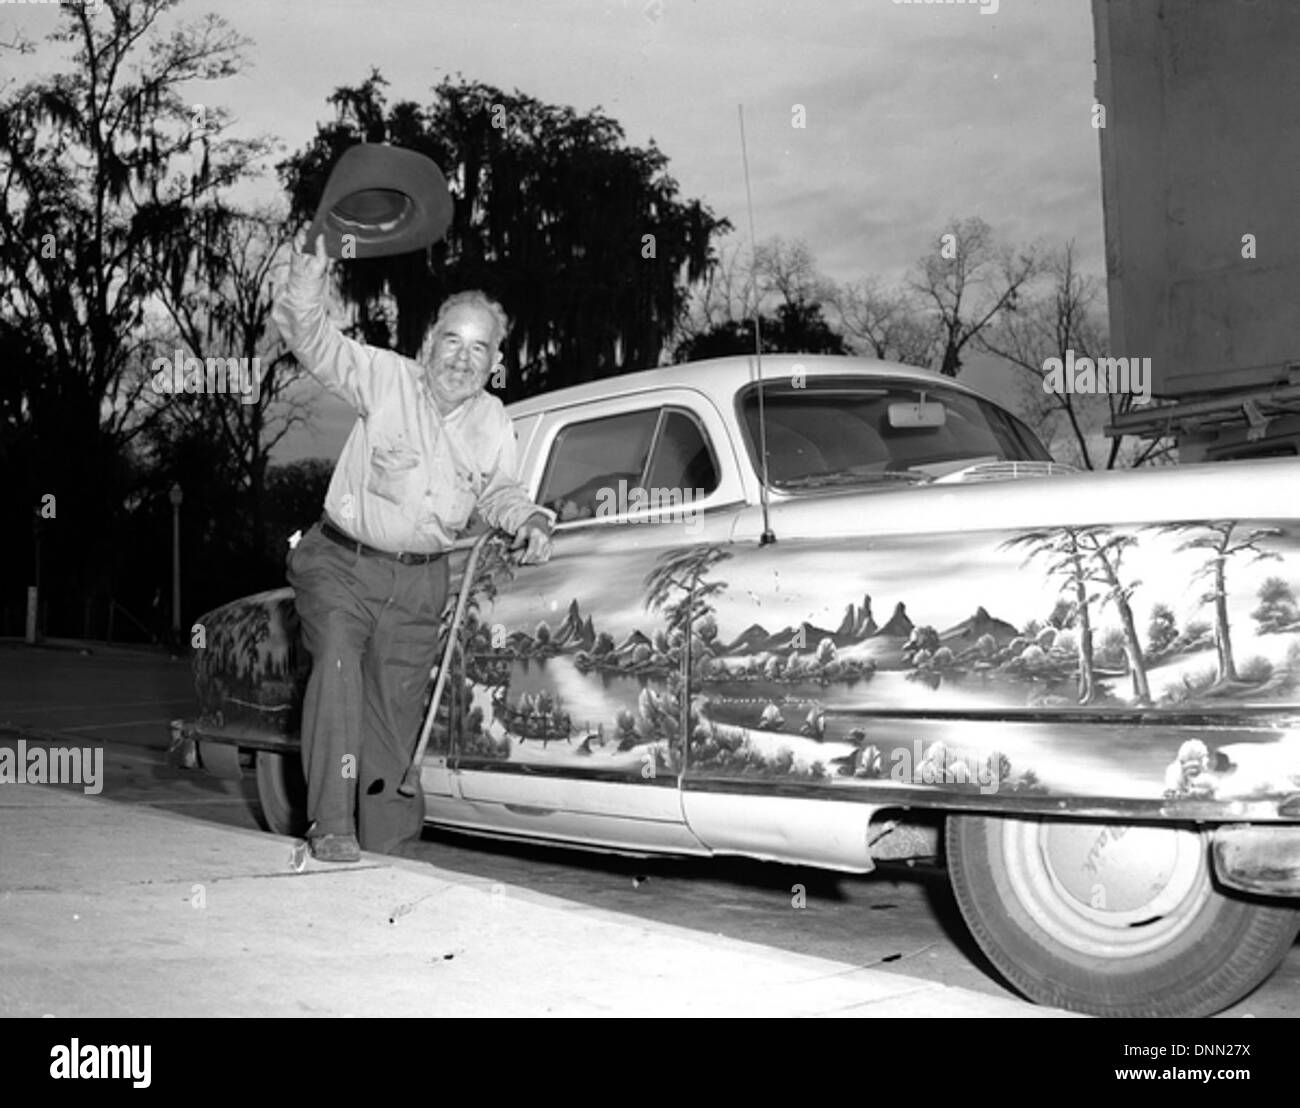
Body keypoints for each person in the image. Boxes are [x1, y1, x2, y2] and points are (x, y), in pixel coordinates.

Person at [273, 233, 553, 862]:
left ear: (493, 361)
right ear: (429, 341)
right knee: (338, 664)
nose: (462, 356)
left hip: (421, 584)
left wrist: (530, 518)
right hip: (341, 564)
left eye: (479, 347)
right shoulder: (383, 377)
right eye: (452, 339)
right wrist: (310, 271)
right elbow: (310, 336)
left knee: (395, 722)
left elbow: (500, 492)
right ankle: (331, 826)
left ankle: (390, 852)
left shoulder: (494, 423)